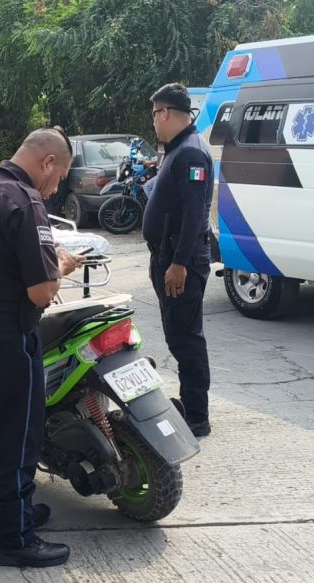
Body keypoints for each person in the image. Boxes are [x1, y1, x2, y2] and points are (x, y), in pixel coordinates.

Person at [0, 126, 84, 568]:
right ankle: (13, 540)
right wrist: (60, 263)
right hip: (6, 332)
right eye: (58, 177)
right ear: (47, 162)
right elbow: (42, 292)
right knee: (19, 436)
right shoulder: (25, 202)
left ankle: (14, 514)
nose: (55, 188)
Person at [141, 83, 214, 438]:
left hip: (180, 260)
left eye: (154, 114)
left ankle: (197, 416)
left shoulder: (190, 153)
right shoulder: (179, 149)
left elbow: (194, 212)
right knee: (179, 335)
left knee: (186, 338)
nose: (154, 122)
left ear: (165, 112)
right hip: (168, 255)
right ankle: (191, 403)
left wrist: (179, 263)